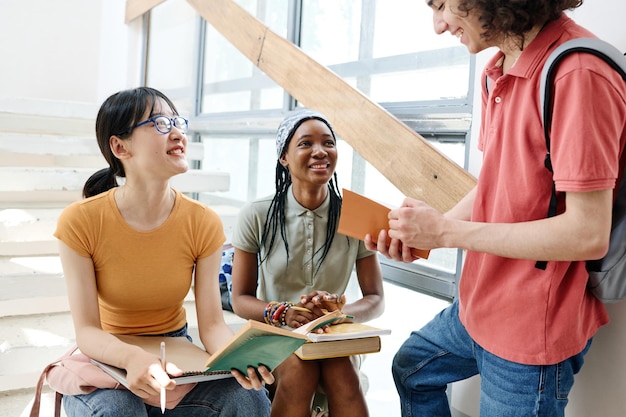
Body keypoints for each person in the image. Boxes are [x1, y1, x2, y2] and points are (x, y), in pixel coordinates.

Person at [365, 1, 626, 417]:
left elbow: (587, 232)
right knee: (412, 368)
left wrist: (445, 234)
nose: (438, 25)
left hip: (531, 326)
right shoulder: (497, 70)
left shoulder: (578, 73)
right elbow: (497, 183)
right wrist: (430, 230)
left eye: (443, 5)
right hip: (478, 305)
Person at [54, 87, 273, 417]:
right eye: (158, 123)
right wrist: (130, 358)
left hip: (177, 354)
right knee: (118, 410)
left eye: (177, 122)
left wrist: (238, 357)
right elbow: (87, 330)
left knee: (248, 399)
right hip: (108, 356)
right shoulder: (81, 221)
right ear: (119, 146)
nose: (176, 133)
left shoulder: (203, 222)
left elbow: (212, 325)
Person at [230, 108, 385, 417]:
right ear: (284, 157)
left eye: (328, 142)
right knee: (301, 370)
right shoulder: (257, 214)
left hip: (332, 334)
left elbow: (376, 299)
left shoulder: (357, 216)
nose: (320, 151)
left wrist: (338, 314)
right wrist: (282, 312)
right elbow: (240, 299)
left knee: (343, 372)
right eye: (305, 143)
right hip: (275, 331)